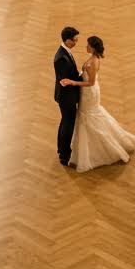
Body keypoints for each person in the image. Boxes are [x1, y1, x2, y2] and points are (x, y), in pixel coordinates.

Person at [61, 35, 135, 172]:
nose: (86, 47)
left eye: (88, 45)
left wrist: (73, 82)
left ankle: (106, 148)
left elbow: (90, 82)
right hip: (88, 92)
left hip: (89, 92)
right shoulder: (93, 59)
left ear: (92, 47)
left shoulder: (93, 62)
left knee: (89, 117)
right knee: (89, 116)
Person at [53, 25, 81, 167]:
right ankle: (64, 155)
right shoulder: (61, 58)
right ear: (67, 40)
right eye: (74, 40)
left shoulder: (66, 52)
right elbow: (64, 81)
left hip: (67, 96)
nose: (76, 43)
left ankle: (61, 149)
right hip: (66, 96)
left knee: (65, 122)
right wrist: (81, 80)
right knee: (68, 124)